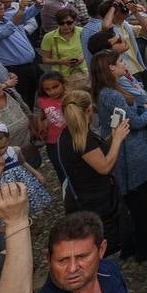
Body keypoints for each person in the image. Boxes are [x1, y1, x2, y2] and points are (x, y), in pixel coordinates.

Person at [91, 48, 147, 261]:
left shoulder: (106, 91)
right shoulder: (112, 94)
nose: (124, 64)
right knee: (138, 202)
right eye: (121, 61)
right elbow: (134, 122)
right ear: (110, 67)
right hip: (130, 152)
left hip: (128, 150)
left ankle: (133, 242)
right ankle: (141, 248)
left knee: (134, 202)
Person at [58, 88, 133, 252]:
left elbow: (95, 154)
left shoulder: (68, 133)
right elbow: (104, 167)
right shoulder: (83, 138)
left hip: (84, 196)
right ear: (89, 110)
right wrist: (118, 140)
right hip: (96, 201)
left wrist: (113, 136)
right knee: (100, 244)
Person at [0, 122, 49, 229]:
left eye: (2, 147)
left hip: (21, 183)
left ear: (9, 140)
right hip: (2, 190)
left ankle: (28, 225)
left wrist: (36, 174)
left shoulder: (15, 150)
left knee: (25, 204)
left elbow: (23, 162)